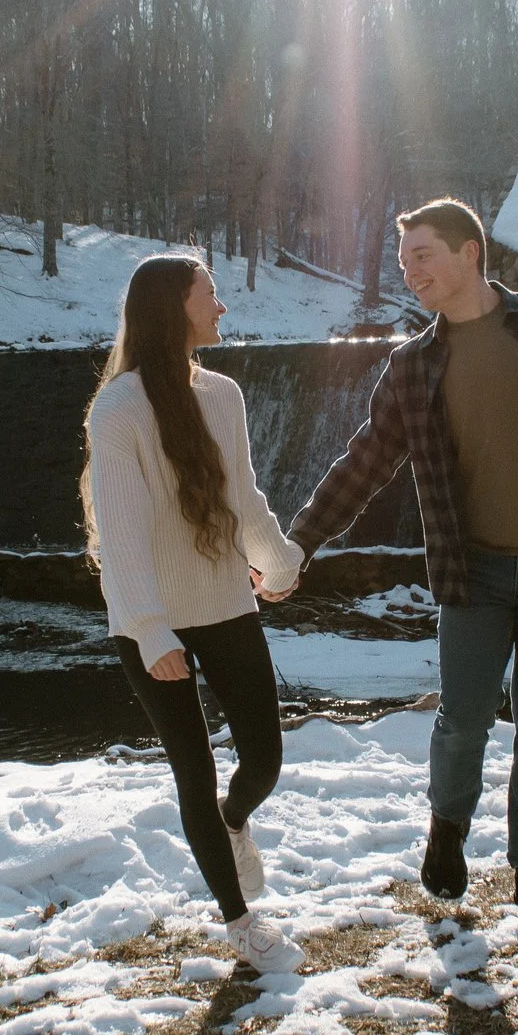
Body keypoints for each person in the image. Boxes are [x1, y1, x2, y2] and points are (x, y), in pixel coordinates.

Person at [290, 199, 518, 920]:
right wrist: (299, 541)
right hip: (471, 572)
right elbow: (365, 464)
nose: (410, 271)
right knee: (463, 719)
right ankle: (447, 828)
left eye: (423, 254)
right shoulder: (412, 366)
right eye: (403, 260)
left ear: (468, 253)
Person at [84, 254, 308, 974]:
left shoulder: (224, 395)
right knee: (193, 767)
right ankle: (240, 923)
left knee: (265, 758)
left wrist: (279, 563)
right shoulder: (117, 409)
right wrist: (151, 629)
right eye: (210, 293)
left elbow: (242, 497)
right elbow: (118, 531)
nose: (222, 306)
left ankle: (234, 819)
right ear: (174, 306)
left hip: (222, 599)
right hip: (148, 617)